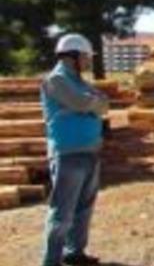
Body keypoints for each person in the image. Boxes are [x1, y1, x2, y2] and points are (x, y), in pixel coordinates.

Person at [41, 34, 110, 266]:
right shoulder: (56, 79)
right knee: (63, 211)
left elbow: (103, 105)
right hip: (68, 153)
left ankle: (75, 253)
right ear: (73, 56)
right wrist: (93, 102)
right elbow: (82, 103)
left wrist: (92, 102)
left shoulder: (79, 81)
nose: (89, 61)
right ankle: (51, 261)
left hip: (89, 151)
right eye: (86, 57)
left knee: (84, 207)